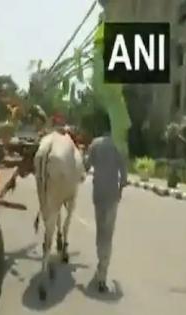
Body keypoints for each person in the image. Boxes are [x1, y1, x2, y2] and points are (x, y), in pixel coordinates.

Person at [85, 115, 127, 293]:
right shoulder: (119, 146)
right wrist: (120, 190)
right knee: (108, 235)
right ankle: (102, 274)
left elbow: (86, 166)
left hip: (98, 195)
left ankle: (100, 266)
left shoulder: (95, 144)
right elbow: (124, 176)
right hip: (111, 196)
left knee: (100, 232)